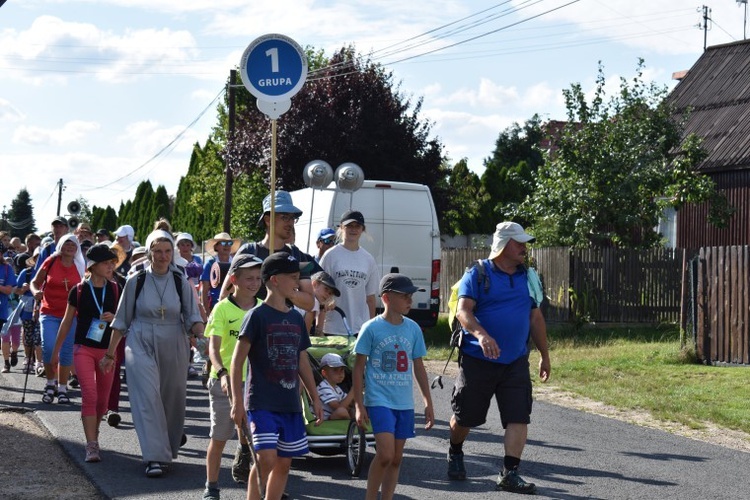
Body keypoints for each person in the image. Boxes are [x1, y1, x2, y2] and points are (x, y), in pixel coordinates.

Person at [447, 221, 550, 494]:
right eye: (519, 243)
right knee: (465, 418)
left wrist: (544, 355)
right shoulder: (478, 273)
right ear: (504, 245)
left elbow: (535, 317)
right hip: (477, 360)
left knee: (519, 417)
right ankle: (455, 450)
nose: (524, 249)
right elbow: (463, 311)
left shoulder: (528, 276)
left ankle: (509, 473)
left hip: (516, 361)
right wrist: (481, 335)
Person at [101, 230, 204, 478]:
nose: (162, 256)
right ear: (149, 253)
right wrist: (110, 354)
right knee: (146, 396)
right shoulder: (136, 281)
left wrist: (202, 340)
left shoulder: (181, 281)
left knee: (171, 397)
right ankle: (154, 457)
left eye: (167, 251)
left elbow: (193, 316)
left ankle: (167, 444)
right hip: (140, 339)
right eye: (157, 251)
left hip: (175, 340)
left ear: (173, 253)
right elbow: (121, 320)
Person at [229, 251, 323, 500]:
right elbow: (237, 363)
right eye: (292, 276)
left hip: (290, 404)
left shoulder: (295, 317)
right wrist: (237, 402)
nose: (297, 282)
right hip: (261, 403)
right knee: (266, 459)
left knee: (283, 463)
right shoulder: (256, 316)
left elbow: (302, 360)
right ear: (274, 280)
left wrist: (315, 397)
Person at [352, 273, 434, 500]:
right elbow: (358, 368)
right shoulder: (371, 328)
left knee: (397, 458)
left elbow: (418, 367)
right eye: (405, 296)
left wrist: (428, 402)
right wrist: (359, 405)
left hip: (403, 402)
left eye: (411, 296)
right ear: (386, 298)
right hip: (379, 400)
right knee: (386, 454)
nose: (410, 301)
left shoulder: (414, 329)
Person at [50, 244, 122, 463]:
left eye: (112, 263)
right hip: (83, 349)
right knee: (89, 395)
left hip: (108, 350)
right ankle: (91, 445)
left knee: (102, 401)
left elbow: (124, 320)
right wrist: (54, 353)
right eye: (107, 263)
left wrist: (115, 318)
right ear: (93, 266)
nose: (111, 266)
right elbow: (66, 322)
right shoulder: (78, 290)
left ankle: (94, 433)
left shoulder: (116, 288)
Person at [202, 254, 263, 500]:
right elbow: (213, 350)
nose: (255, 283)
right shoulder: (222, 308)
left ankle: (264, 487)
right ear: (234, 279)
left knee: (262, 441)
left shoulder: (263, 307)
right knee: (218, 438)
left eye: (258, 278)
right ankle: (211, 486)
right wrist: (224, 374)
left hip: (256, 385)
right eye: (249, 278)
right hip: (224, 383)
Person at [233, 190, 318, 311]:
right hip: (251, 325)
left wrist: (287, 291)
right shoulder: (249, 251)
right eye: (284, 217)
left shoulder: (295, 255)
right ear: (268, 220)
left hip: (283, 326)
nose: (290, 223)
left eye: (292, 218)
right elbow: (226, 295)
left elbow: (310, 303)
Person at [30, 234, 85, 403]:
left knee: (67, 351)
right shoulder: (50, 261)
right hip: (49, 313)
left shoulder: (80, 265)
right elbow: (35, 282)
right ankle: (49, 383)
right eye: (66, 243)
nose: (69, 247)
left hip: (71, 315)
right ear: (60, 245)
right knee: (49, 347)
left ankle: (62, 388)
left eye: (73, 244)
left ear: (77, 248)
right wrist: (35, 293)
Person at [319, 210, 379, 336]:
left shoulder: (368, 259)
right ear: (341, 227)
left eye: (357, 226)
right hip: (333, 327)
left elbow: (370, 298)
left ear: (363, 229)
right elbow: (319, 293)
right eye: (349, 226)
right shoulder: (331, 255)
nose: (353, 230)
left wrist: (372, 328)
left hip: (360, 328)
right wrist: (319, 328)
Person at [15, 248, 43, 375]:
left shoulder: (50, 273)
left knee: (39, 337)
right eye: (37, 257)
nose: (39, 260)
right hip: (27, 309)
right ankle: (28, 359)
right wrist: (22, 289)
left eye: (41, 257)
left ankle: (39, 362)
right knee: (28, 334)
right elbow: (16, 290)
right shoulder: (26, 273)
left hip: (43, 309)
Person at [200, 232, 240, 315]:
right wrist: (207, 312)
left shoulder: (237, 263)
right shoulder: (210, 264)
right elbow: (204, 290)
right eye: (223, 243)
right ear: (216, 247)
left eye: (229, 243)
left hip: (234, 304)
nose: (227, 245)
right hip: (215, 305)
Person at [317, 353, 353, 420]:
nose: (340, 373)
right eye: (335, 370)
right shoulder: (323, 387)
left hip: (332, 418)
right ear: (324, 373)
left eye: (342, 370)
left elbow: (348, 402)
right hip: (323, 421)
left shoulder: (337, 388)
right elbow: (339, 408)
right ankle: (353, 428)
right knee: (341, 412)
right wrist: (353, 391)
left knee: (354, 410)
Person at [305, 271, 340, 336]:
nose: (327, 295)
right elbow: (305, 335)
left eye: (330, 293)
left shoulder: (304, 296)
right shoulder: (313, 302)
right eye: (326, 289)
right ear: (315, 284)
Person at [0, 256, 18, 373]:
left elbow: (8, 290)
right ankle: (6, 363)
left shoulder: (6, 269)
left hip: (5, 309)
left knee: (14, 339)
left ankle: (13, 353)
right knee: (5, 337)